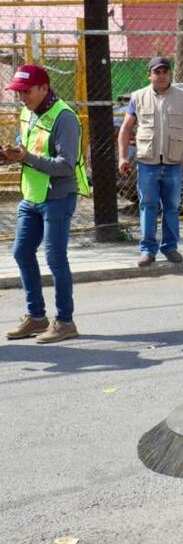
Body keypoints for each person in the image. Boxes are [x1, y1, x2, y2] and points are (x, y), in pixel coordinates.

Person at [4, 64, 90, 344]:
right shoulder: (27, 112)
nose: (22, 97)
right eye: (18, 92)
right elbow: (26, 147)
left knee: (55, 258)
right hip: (32, 196)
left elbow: (66, 165)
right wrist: (10, 156)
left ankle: (65, 321)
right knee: (21, 253)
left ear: (44, 87)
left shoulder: (64, 117)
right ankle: (36, 317)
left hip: (58, 197)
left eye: (26, 91)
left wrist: (25, 158)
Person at [117, 57, 183, 267]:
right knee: (148, 206)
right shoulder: (138, 97)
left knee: (172, 207)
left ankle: (170, 247)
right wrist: (122, 156)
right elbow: (126, 128)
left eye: (165, 71)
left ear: (170, 74)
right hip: (148, 162)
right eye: (157, 72)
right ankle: (147, 250)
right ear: (150, 75)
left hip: (174, 162)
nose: (162, 75)